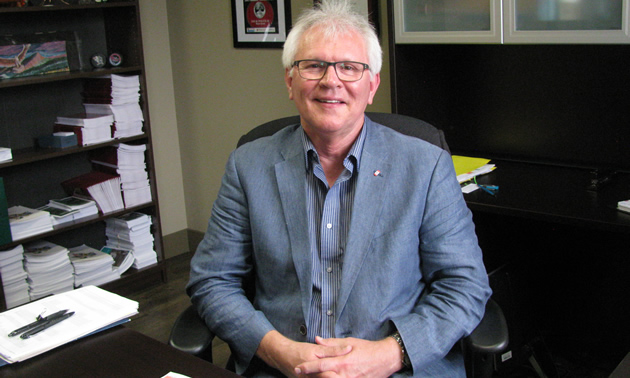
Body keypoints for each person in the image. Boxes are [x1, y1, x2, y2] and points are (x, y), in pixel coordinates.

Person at [187, 0, 491, 376]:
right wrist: (276, 349)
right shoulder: (249, 165)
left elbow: (465, 285)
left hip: (397, 369)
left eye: (349, 67)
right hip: (281, 368)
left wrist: (389, 354)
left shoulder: (425, 166)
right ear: (290, 81)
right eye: (313, 65)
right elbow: (212, 279)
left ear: (372, 84)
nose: (331, 81)